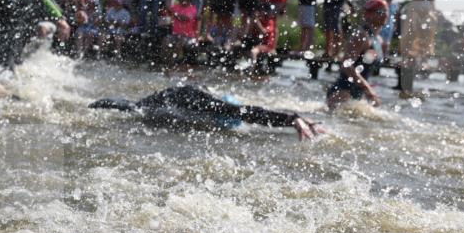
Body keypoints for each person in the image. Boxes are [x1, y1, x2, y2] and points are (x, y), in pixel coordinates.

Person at [91, 86, 322, 140]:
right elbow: (251, 113)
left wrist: (297, 118)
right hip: (175, 96)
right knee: (134, 108)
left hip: (189, 96)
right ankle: (95, 104)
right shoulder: (216, 108)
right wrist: (292, 120)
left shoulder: (218, 107)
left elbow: (253, 113)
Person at [326, 0, 390, 111]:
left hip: (358, 95)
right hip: (343, 91)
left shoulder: (379, 40)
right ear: (368, 14)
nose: (385, 15)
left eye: (386, 11)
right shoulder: (361, 35)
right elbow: (346, 65)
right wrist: (368, 89)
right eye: (380, 11)